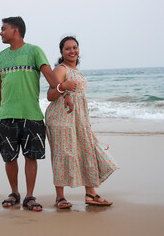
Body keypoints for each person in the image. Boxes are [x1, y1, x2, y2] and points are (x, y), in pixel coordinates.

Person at [0, 17, 75, 211]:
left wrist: (66, 94)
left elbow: (51, 78)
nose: (0, 32)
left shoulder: (34, 51)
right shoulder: (0, 57)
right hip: (6, 116)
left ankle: (29, 196)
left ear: (15, 30)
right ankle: (14, 192)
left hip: (32, 116)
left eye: (3, 29)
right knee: (9, 158)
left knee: (31, 157)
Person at [45, 36, 119, 209]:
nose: (72, 51)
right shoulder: (61, 69)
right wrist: (63, 87)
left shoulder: (76, 71)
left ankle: (91, 194)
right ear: (61, 52)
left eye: (75, 47)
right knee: (62, 155)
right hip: (60, 118)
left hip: (79, 118)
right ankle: (60, 198)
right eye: (68, 48)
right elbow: (50, 95)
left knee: (88, 151)